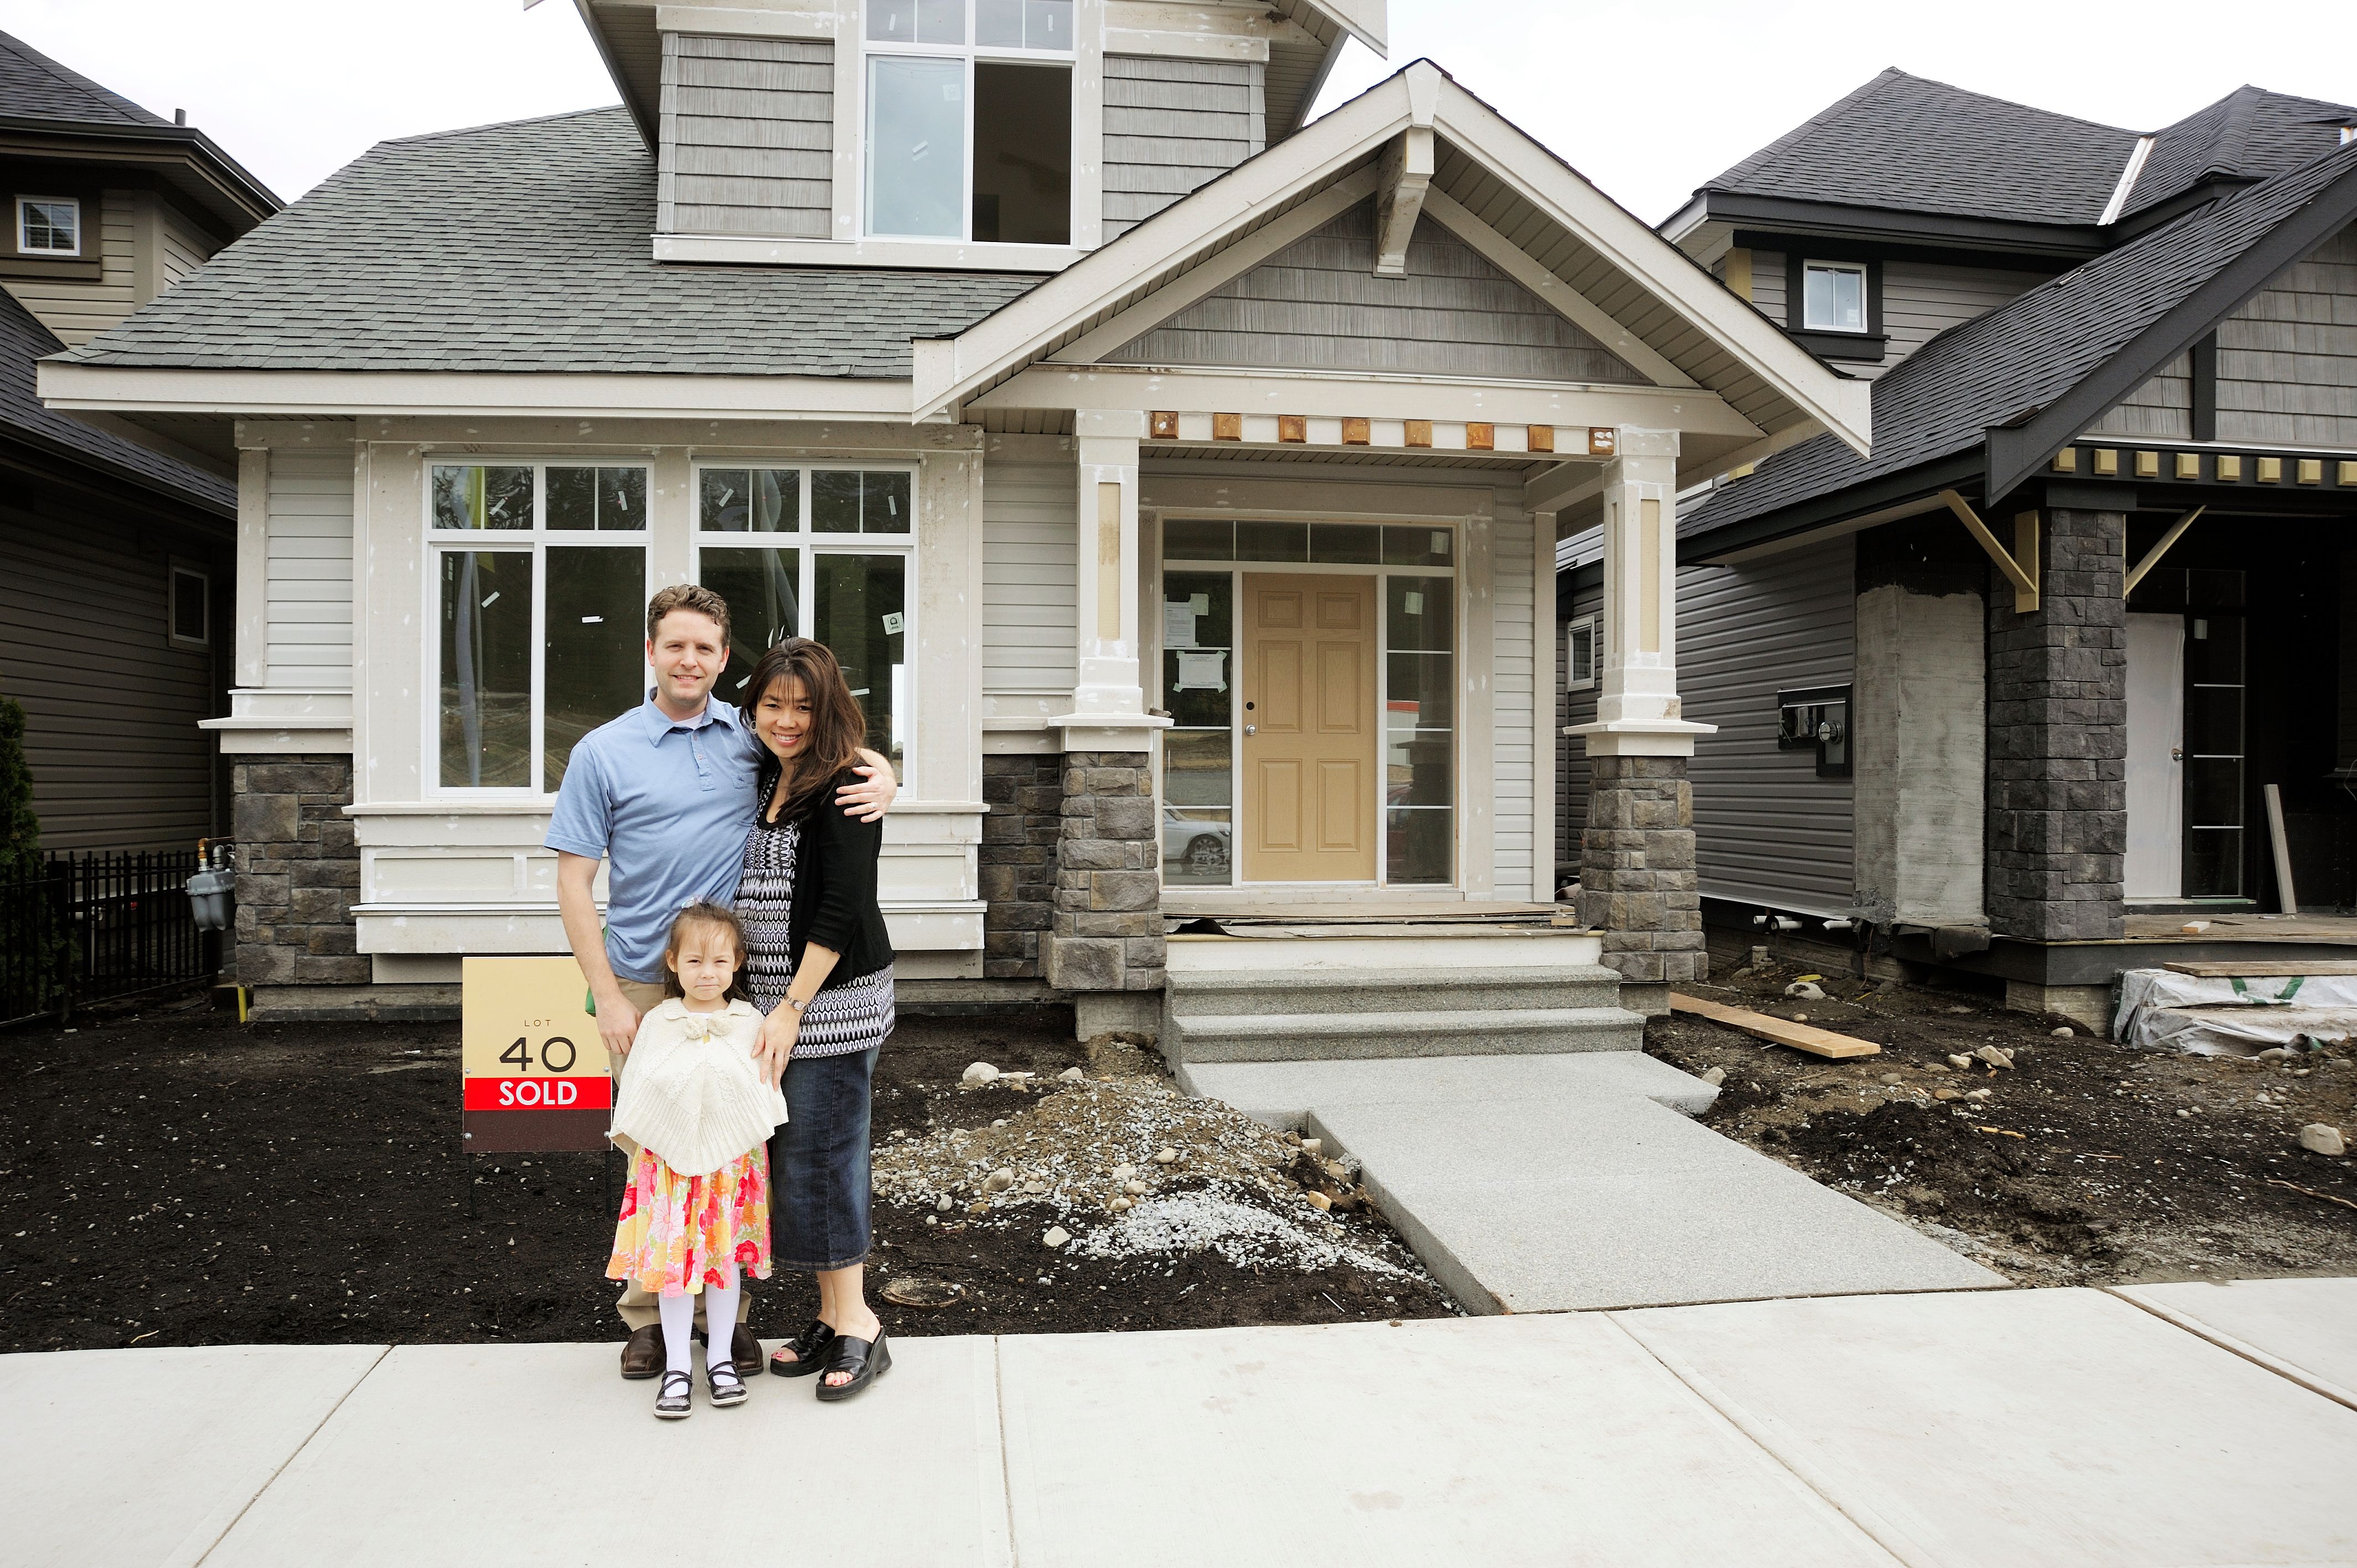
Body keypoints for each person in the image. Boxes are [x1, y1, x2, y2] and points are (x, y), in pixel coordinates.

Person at [547, 584, 896, 1381]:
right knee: (656, 1154)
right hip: (643, 981)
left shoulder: (745, 738)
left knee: (742, 1147)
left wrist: (886, 777)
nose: (690, 660)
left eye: (706, 647)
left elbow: (830, 748)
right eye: (676, 645)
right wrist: (603, 993)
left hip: (743, 987)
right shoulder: (605, 750)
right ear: (651, 650)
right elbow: (574, 883)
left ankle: (729, 1315)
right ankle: (649, 1318)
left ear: (721, 656)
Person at [735, 638, 898, 1402]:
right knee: (798, 1163)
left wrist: (794, 1008)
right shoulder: (772, 772)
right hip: (775, 1007)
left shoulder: (848, 783)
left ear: (827, 707)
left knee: (826, 1161)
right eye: (774, 705)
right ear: (755, 706)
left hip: (826, 1006)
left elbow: (841, 908)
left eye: (803, 707)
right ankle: (831, 1314)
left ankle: (860, 1322)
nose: (788, 720)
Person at [605, 902, 786, 1419]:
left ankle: (722, 1361)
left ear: (738, 963)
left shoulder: (749, 1020)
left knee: (724, 1265)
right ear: (671, 961)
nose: (708, 974)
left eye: (720, 963)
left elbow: (759, 1092)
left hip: (729, 1171)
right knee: (675, 1269)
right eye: (694, 962)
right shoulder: (659, 1022)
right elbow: (642, 1090)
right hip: (669, 1172)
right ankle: (680, 1367)